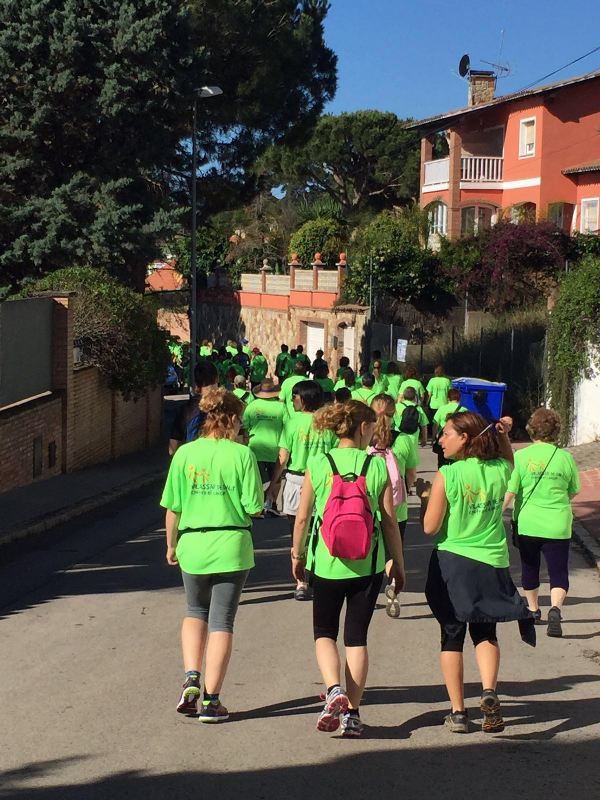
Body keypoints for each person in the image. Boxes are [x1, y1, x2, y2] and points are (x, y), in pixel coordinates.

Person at [292, 400, 405, 737]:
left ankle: (333, 690)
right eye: (370, 426)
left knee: (324, 633)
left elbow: (302, 516)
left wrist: (297, 555)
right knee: (356, 638)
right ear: (360, 428)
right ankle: (352, 714)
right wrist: (397, 564)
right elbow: (388, 522)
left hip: (326, 563)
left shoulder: (319, 463)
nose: (372, 430)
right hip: (367, 564)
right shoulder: (377, 466)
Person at [421, 411, 535, 735]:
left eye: (446, 434)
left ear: (465, 439)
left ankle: (458, 712)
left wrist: (426, 497)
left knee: (451, 634)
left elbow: (430, 527)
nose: (440, 440)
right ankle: (489, 691)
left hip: (452, 563)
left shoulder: (449, 474)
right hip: (492, 561)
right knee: (485, 632)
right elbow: (510, 460)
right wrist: (502, 435)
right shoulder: (500, 470)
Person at [161, 387, 264, 722]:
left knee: (194, 611)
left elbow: (172, 508)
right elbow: (254, 507)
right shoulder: (241, 455)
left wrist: (171, 544)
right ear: (232, 419)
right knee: (222, 621)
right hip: (231, 544)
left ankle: (191, 676)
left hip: (192, 542)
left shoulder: (185, 455)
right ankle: (211, 701)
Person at [504, 408, 580, 637]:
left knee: (530, 567)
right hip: (557, 523)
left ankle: (534, 609)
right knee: (558, 570)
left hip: (528, 523)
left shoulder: (521, 457)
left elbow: (511, 491)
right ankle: (555, 609)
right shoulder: (565, 458)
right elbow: (574, 490)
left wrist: (497, 512)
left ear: (532, 430)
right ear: (555, 431)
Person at [268, 381, 335, 600]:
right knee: (321, 530)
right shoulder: (328, 423)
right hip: (324, 481)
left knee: (297, 531)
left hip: (297, 481)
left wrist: (274, 484)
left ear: (303, 399)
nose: (293, 400)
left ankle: (301, 581)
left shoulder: (292, 423)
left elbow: (283, 457)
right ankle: (318, 574)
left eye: (295, 397)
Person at [369, 393, 417, 618]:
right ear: (394, 413)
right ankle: (393, 589)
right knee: (392, 553)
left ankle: (367, 594)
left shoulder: (364, 439)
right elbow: (411, 474)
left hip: (368, 508)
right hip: (397, 510)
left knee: (368, 552)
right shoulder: (404, 440)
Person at [243, 377, 287, 487]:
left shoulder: (252, 406)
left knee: (257, 481)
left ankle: (262, 501)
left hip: (255, 449)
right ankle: (271, 501)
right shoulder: (281, 407)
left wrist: (246, 441)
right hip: (275, 449)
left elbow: (244, 427)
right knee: (275, 481)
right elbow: (287, 427)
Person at [169, 360, 218, 455]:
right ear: (217, 379)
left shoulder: (186, 409)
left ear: (196, 382)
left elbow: (172, 450)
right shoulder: (228, 405)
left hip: (193, 465)